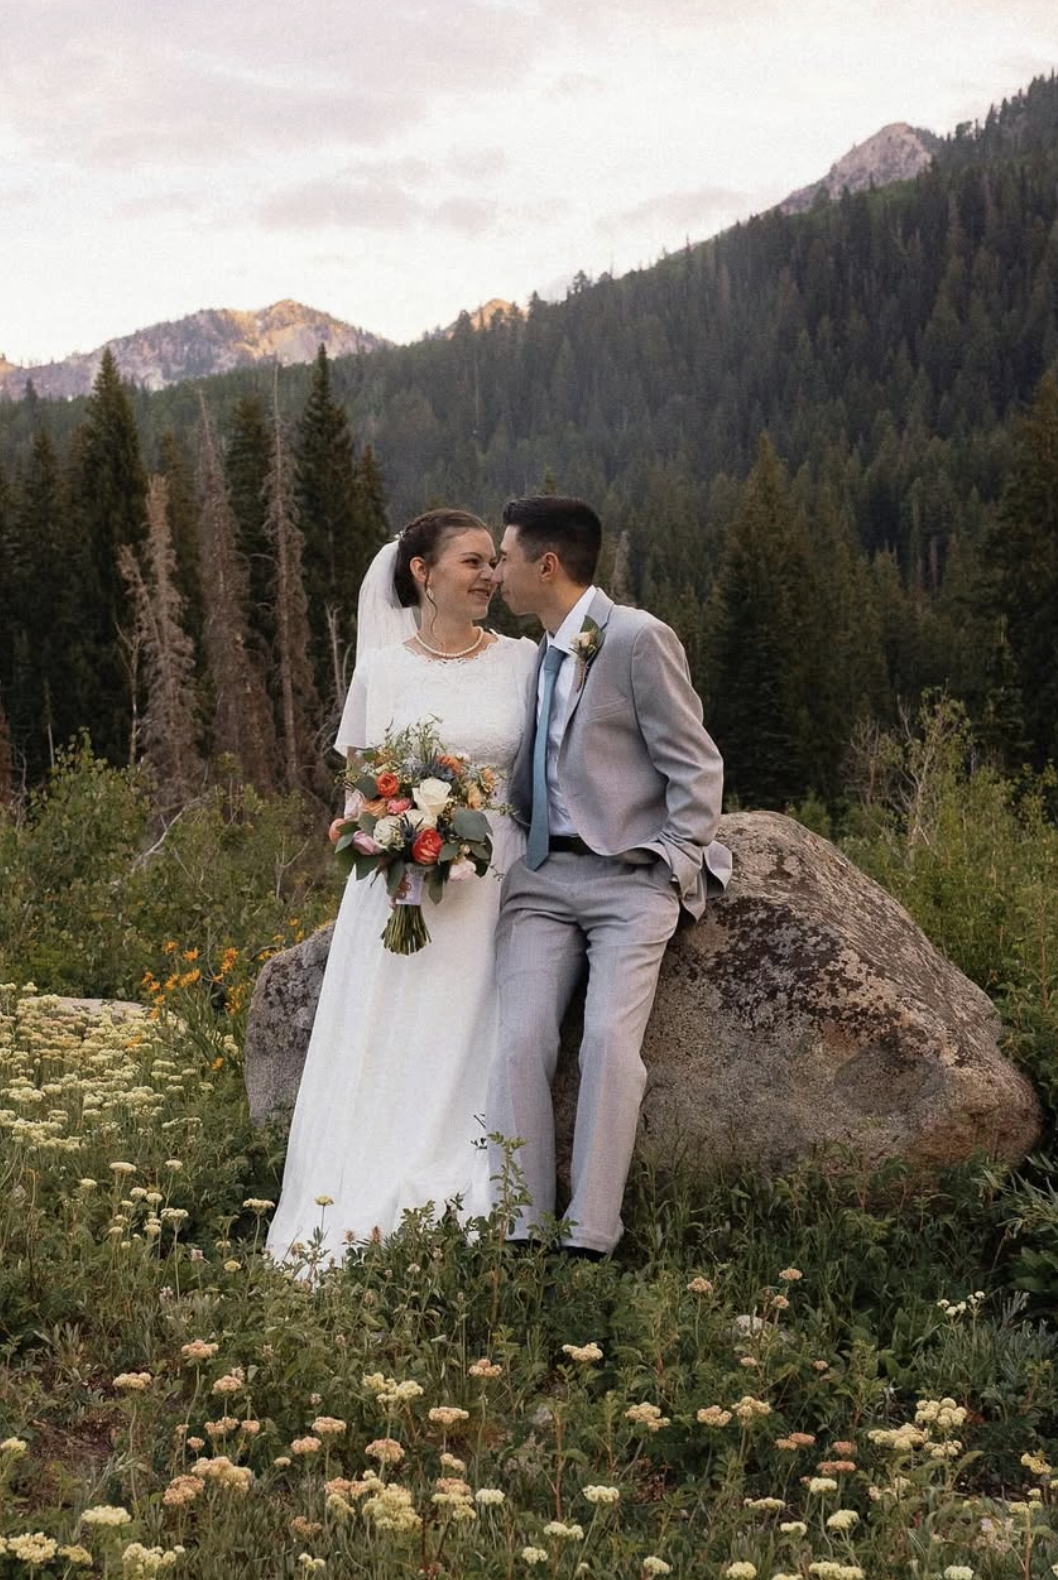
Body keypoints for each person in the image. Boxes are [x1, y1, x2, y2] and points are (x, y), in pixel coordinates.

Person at [266, 509, 538, 1267]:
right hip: (401, 891)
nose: (490, 576)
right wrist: (395, 836)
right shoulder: (383, 672)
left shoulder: (521, 661)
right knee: (393, 1034)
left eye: (494, 563)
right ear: (422, 573)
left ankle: (472, 1184)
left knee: (476, 1031)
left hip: (494, 880)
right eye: (472, 563)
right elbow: (358, 794)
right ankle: (364, 1195)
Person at [486, 495, 731, 1258]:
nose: (497, 572)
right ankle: (521, 1226)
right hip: (542, 880)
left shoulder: (634, 638)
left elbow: (697, 764)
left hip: (630, 881)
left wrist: (672, 861)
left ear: (547, 565)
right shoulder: (540, 649)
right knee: (520, 1040)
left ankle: (590, 1236)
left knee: (605, 1044)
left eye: (505, 557)